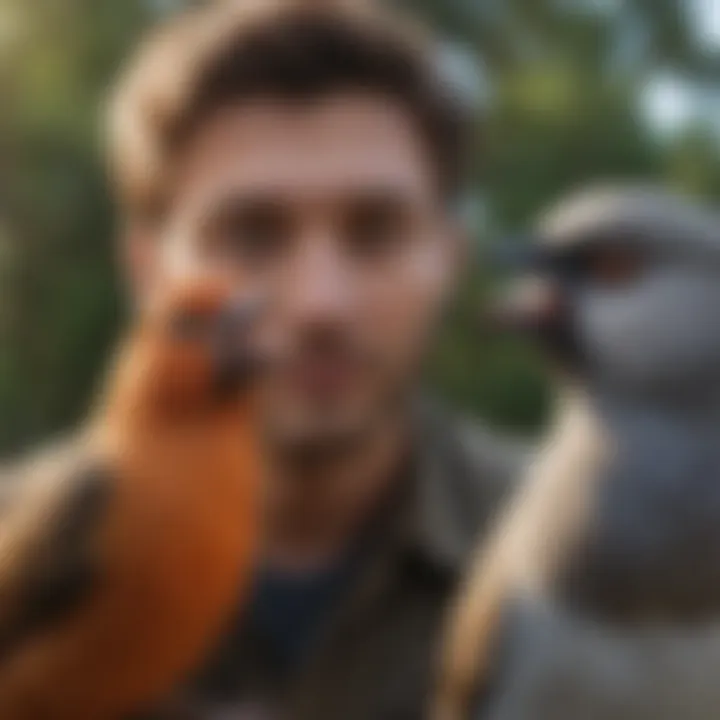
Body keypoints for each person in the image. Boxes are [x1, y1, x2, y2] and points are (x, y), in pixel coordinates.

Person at [18, 1, 526, 717]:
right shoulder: (30, 535)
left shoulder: (612, 564)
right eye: (251, 235)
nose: (320, 303)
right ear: (146, 270)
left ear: (451, 257)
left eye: (375, 231)